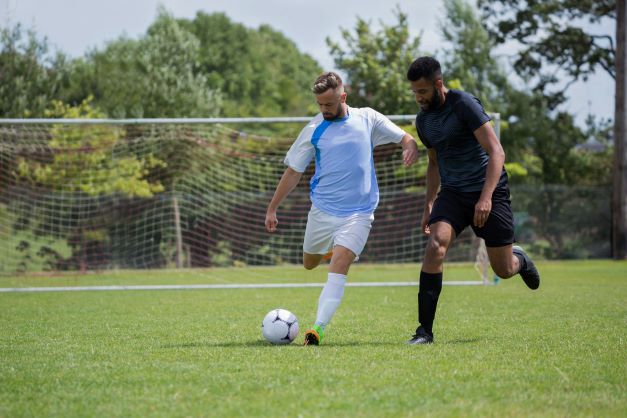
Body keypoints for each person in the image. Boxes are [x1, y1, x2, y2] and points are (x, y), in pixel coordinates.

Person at [265, 71, 419, 345]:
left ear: (343, 97)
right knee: (310, 263)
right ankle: (335, 249)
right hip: (323, 211)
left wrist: (410, 146)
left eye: (329, 104)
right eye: (320, 105)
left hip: (360, 212)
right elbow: (293, 172)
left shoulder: (367, 118)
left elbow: (404, 137)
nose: (324, 110)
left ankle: (318, 328)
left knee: (340, 261)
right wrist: (272, 208)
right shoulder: (314, 130)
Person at [405, 56, 540, 345]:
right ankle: (424, 332)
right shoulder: (423, 120)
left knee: (502, 270)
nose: (418, 98)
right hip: (453, 193)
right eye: (414, 92)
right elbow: (433, 163)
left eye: (423, 92)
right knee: (435, 246)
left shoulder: (463, 104)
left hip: (488, 190)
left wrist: (486, 198)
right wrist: (429, 204)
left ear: (438, 84)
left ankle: (521, 259)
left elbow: (497, 152)